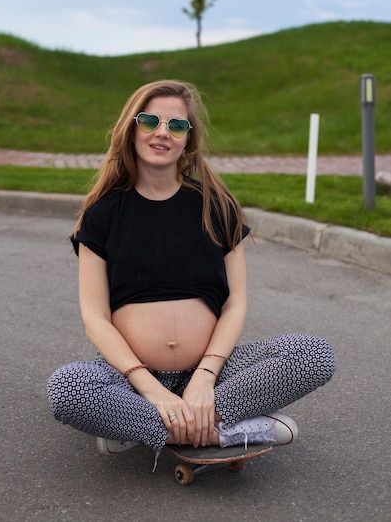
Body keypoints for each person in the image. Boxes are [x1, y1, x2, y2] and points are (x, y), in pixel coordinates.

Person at [47, 79, 336, 468]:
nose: (162, 132)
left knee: (313, 355)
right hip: (131, 376)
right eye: (150, 121)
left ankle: (144, 430)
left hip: (214, 373)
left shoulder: (216, 206)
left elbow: (235, 303)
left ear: (189, 139)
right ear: (131, 128)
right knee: (68, 389)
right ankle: (223, 429)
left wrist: (203, 378)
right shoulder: (103, 215)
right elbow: (95, 317)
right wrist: (150, 390)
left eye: (177, 125)